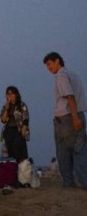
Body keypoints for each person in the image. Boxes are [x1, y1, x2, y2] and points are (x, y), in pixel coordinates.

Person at [43, 52, 87, 188]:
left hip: (66, 119)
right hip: (79, 114)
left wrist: (74, 117)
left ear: (57, 61)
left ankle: (69, 184)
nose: (48, 68)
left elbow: (70, 96)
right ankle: (84, 182)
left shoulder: (61, 76)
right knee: (80, 151)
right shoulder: (73, 75)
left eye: (49, 64)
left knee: (63, 153)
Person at [0, 86, 30, 163]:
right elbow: (3, 120)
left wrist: (23, 132)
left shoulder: (22, 105)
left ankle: (21, 171)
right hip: (8, 131)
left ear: (16, 94)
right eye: (8, 94)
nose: (9, 95)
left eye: (11, 93)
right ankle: (11, 171)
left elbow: (26, 119)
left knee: (20, 154)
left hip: (18, 131)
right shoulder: (5, 106)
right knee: (9, 154)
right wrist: (6, 108)